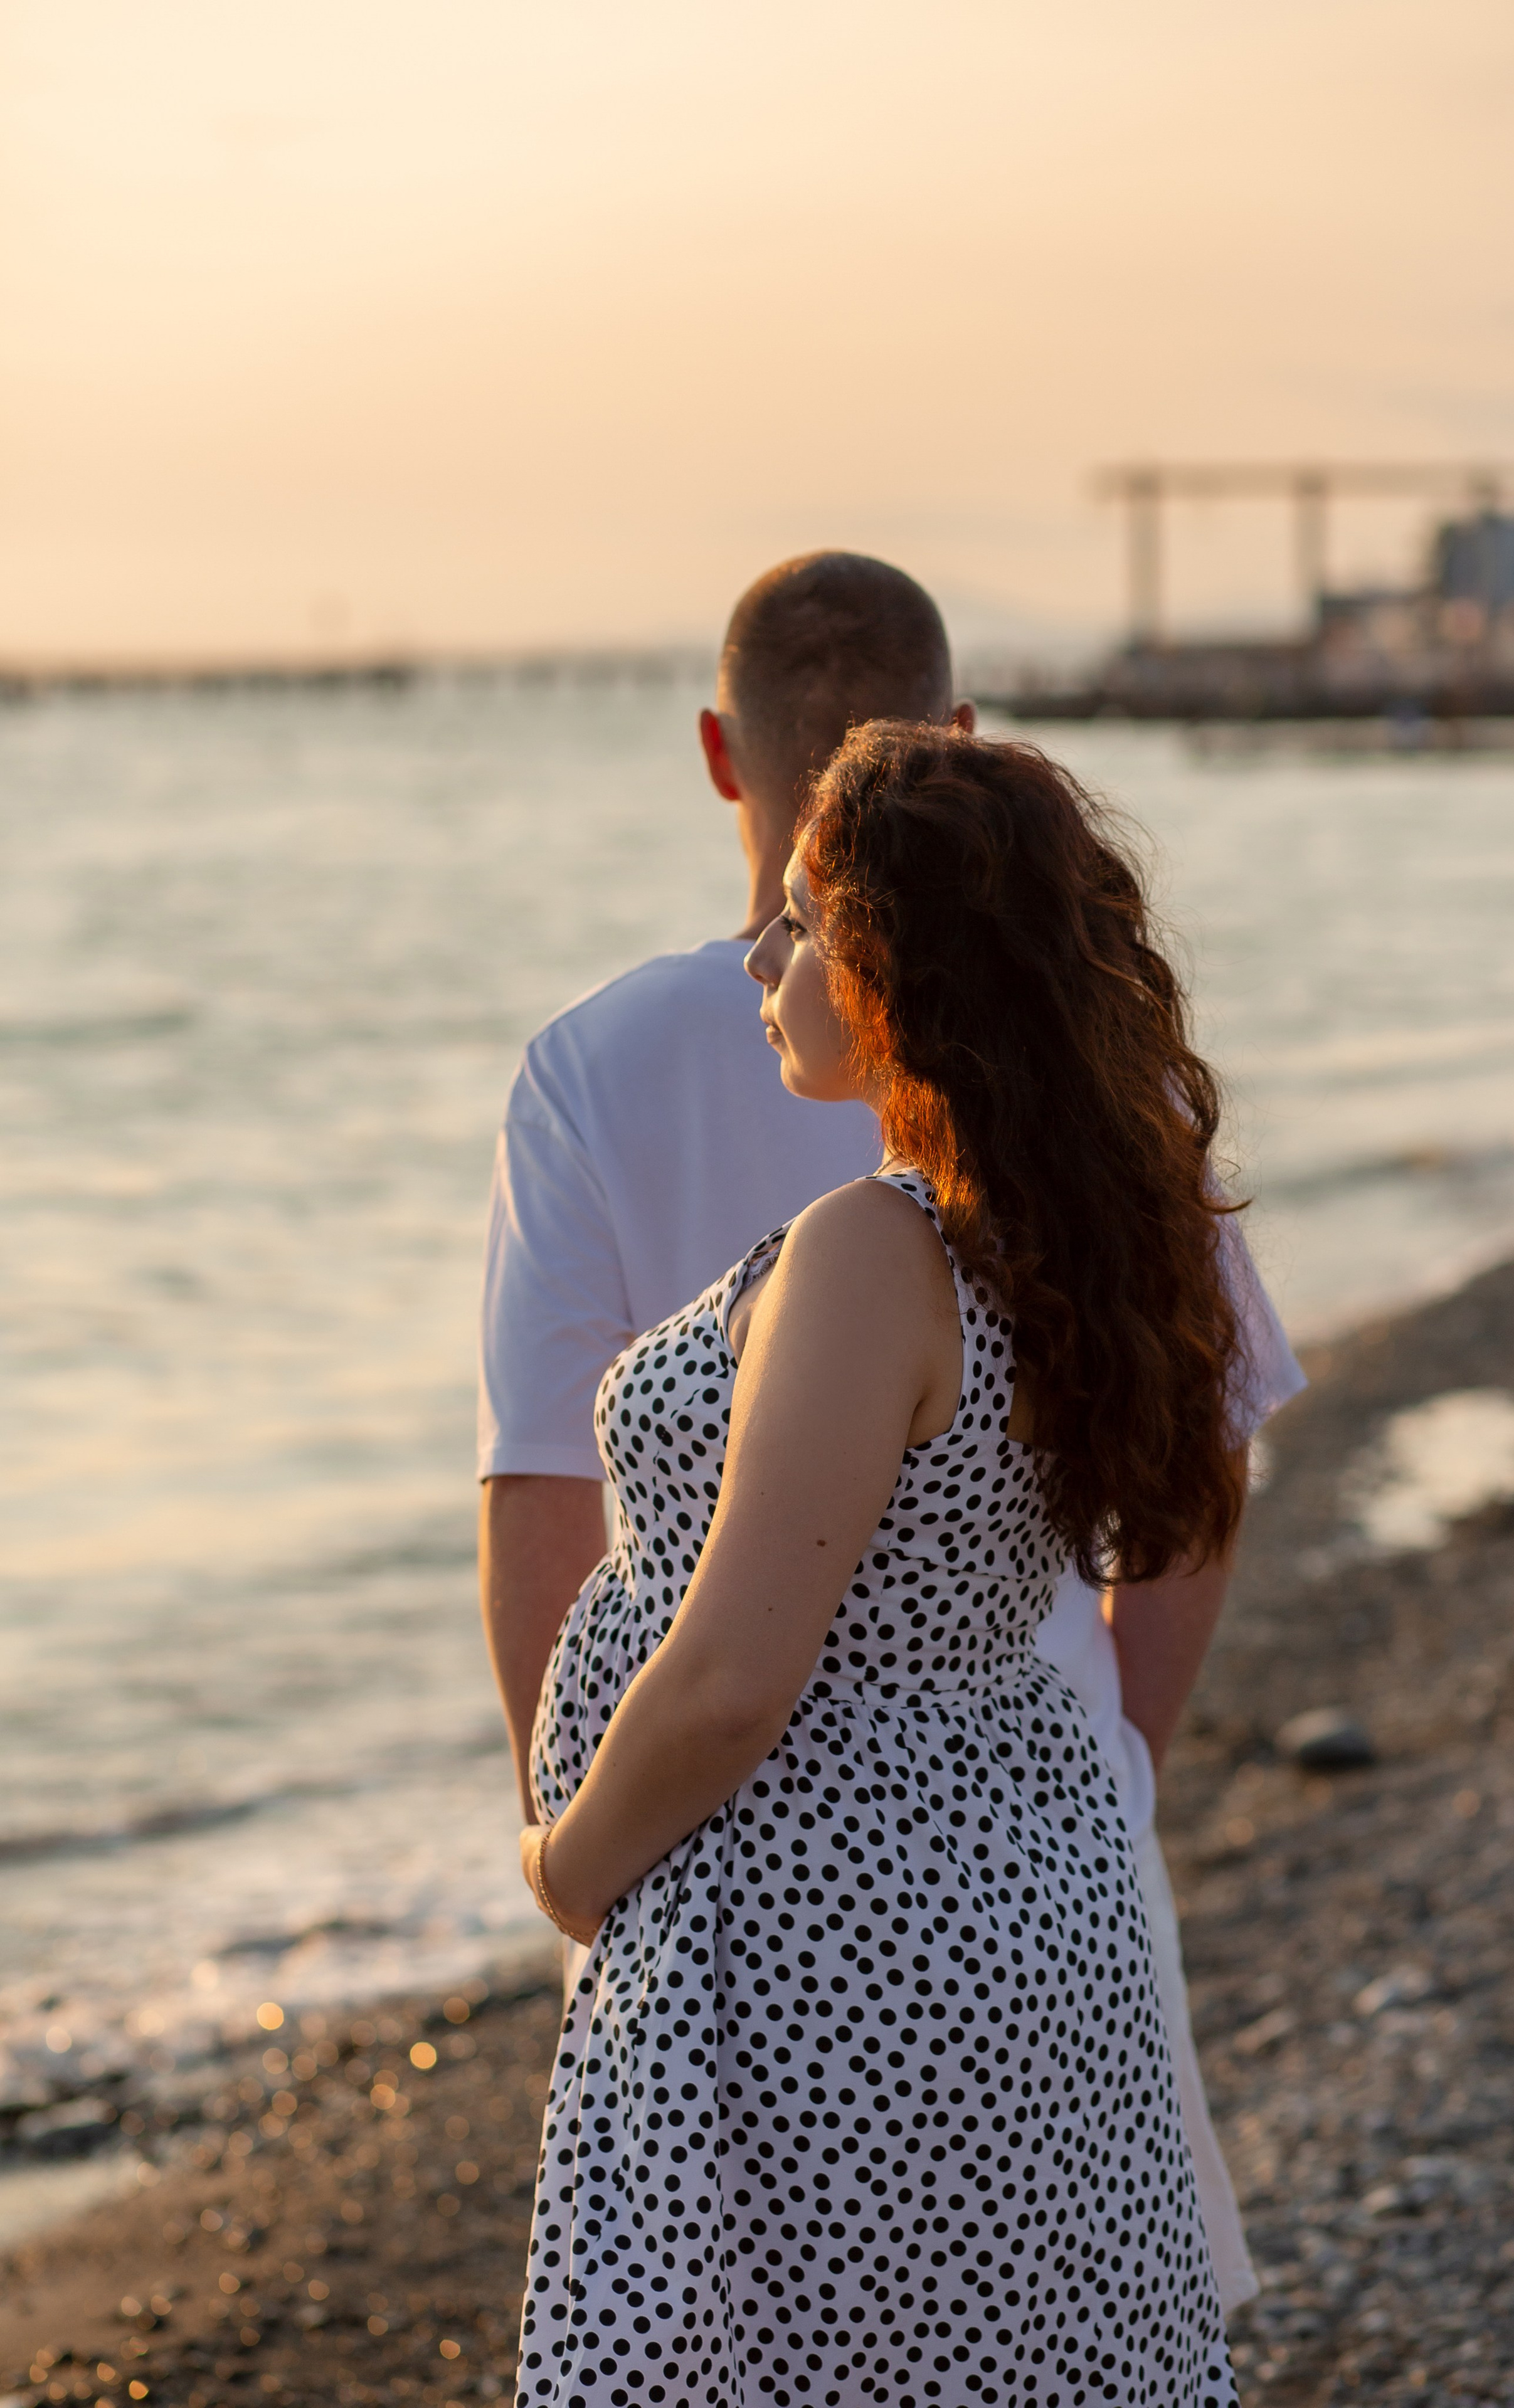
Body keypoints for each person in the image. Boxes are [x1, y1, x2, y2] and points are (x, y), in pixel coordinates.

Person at [478, 552, 1302, 2315]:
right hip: (1039, 1847)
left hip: (796, 1916)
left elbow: (667, 1619)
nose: (764, 959)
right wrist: (1116, 1766)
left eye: (800, 923)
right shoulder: (1082, 1154)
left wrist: (570, 1855)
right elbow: (1195, 1478)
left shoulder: (848, 1224)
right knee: (1042, 2320)